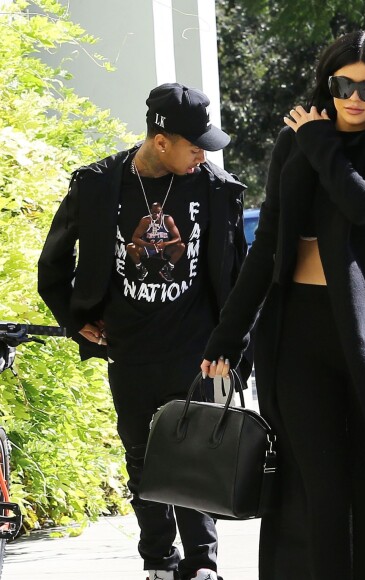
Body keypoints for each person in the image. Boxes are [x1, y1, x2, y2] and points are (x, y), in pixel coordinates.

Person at [201, 30, 365, 580]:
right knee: (315, 487)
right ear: (328, 80)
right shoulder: (296, 139)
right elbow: (269, 242)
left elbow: (363, 203)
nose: (356, 98)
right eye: (345, 84)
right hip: (297, 333)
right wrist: (228, 335)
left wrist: (321, 141)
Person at [38, 83, 250, 580]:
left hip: (199, 348)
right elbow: (52, 261)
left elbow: (240, 277)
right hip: (130, 348)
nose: (203, 154)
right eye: (194, 144)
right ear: (160, 140)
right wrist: (76, 322)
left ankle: (202, 564)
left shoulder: (217, 190)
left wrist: (233, 346)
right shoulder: (97, 185)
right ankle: (158, 560)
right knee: (142, 456)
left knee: (196, 452)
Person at [126, 201, 186, 282]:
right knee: (130, 247)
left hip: (163, 249)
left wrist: (165, 243)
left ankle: (166, 269)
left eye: (159, 212)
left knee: (181, 246)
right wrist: (147, 244)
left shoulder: (168, 220)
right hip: (148, 249)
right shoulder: (146, 221)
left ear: (162, 211)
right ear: (150, 211)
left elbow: (178, 238)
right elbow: (134, 238)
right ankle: (141, 268)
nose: (157, 215)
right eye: (154, 213)